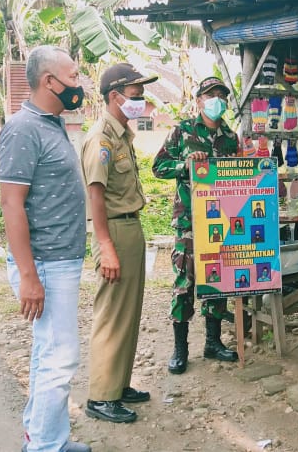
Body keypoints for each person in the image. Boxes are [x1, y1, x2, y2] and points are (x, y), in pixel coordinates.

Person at [0, 45, 91, 452]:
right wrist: (29, 276)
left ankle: (44, 438)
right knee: (60, 359)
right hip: (46, 263)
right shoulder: (23, 129)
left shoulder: (51, 124)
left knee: (47, 355)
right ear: (49, 81)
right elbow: (11, 203)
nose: (78, 83)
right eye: (73, 76)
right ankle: (45, 447)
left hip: (59, 260)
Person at [77, 63, 157, 424]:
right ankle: (101, 396)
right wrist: (106, 246)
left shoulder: (122, 134)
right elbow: (96, 195)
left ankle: (119, 385)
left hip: (129, 227)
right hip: (114, 231)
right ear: (115, 96)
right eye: (136, 94)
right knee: (111, 315)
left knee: (129, 312)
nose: (141, 100)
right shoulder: (102, 138)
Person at [152, 76, 241, 375]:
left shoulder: (231, 137)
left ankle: (213, 343)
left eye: (222, 95)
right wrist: (186, 164)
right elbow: (158, 167)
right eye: (211, 95)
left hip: (221, 220)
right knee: (185, 281)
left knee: (218, 277)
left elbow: (237, 177)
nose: (217, 100)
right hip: (189, 220)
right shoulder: (183, 131)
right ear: (199, 100)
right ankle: (181, 349)